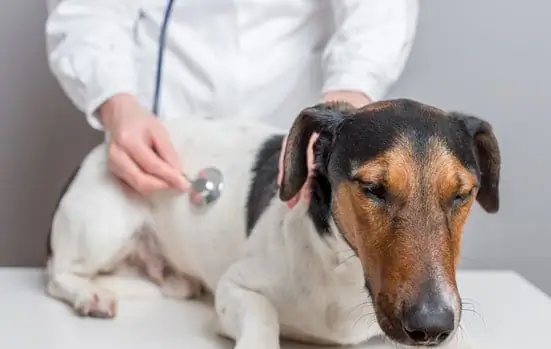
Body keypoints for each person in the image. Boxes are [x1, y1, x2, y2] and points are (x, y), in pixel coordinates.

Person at [45, 0, 419, 202]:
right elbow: (89, 8)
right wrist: (116, 103)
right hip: (165, 141)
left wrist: (345, 101)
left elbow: (378, 8)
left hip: (291, 142)